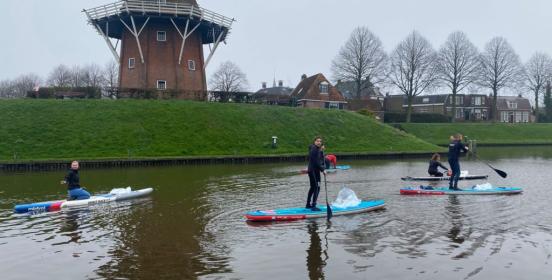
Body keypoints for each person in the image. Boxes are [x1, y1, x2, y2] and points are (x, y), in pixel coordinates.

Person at [306, 137, 326, 211]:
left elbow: (320, 159)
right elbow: (317, 161)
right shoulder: (315, 149)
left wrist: (321, 151)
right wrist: (323, 170)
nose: (319, 142)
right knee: (317, 187)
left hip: (313, 171)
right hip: (314, 171)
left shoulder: (315, 149)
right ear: (314, 142)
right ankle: (314, 206)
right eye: (317, 141)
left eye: (320, 141)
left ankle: (308, 204)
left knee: (313, 187)